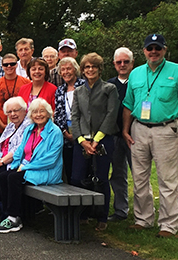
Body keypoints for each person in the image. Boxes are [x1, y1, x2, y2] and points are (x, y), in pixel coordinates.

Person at [122, 34, 178, 238]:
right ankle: (143, 219)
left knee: (167, 179)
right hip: (139, 129)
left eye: (157, 48)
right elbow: (128, 104)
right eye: (150, 48)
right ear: (144, 51)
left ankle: (168, 225)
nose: (153, 52)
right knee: (139, 177)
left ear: (164, 49)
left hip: (166, 129)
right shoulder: (136, 74)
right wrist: (125, 129)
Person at [0, 98, 63, 233]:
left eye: (42, 111)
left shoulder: (55, 132)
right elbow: (19, 151)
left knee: (14, 178)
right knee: (3, 175)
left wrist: (24, 167)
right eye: (35, 112)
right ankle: (10, 214)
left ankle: (14, 218)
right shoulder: (30, 129)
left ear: (48, 113)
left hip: (47, 171)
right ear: (31, 115)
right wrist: (14, 165)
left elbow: (50, 160)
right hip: (30, 168)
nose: (38, 115)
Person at [70, 53, 119, 231]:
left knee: (100, 179)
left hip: (103, 140)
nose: (90, 70)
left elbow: (111, 114)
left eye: (94, 67)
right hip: (82, 141)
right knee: (78, 178)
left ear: (99, 69)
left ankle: (101, 216)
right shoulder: (78, 91)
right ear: (82, 70)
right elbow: (75, 116)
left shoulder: (109, 88)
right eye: (87, 67)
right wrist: (82, 140)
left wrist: (96, 140)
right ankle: (82, 214)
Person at [107, 47, 134, 222]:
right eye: (119, 62)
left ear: (132, 63)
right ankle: (120, 210)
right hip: (115, 135)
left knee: (139, 174)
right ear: (114, 64)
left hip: (135, 135)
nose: (122, 65)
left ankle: (143, 212)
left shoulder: (139, 82)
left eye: (126, 62)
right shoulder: (109, 85)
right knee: (117, 174)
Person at [53, 57, 86, 183]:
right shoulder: (60, 90)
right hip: (66, 135)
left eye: (69, 69)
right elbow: (58, 113)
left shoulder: (84, 85)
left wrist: (77, 133)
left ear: (75, 70)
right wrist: (64, 133)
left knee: (81, 171)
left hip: (83, 134)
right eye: (63, 69)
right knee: (69, 169)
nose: (66, 72)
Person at [0, 54, 30, 140]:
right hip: (1, 128)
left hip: (23, 126)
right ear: (2, 66)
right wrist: (1, 125)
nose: (9, 66)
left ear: (16, 65)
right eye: (6, 65)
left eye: (12, 64)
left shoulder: (26, 82)